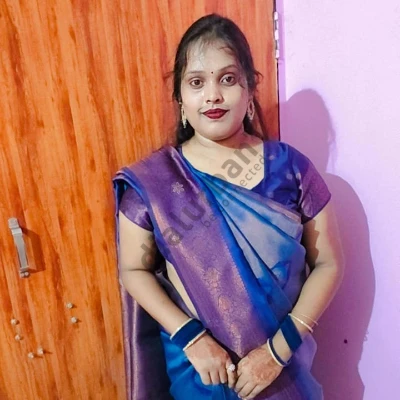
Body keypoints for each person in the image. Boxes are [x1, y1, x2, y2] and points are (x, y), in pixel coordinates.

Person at [113, 14, 344, 400]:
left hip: (285, 375)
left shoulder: (291, 169)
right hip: (200, 376)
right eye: (197, 82)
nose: (212, 96)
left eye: (228, 79)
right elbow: (134, 269)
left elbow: (329, 263)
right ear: (180, 100)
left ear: (250, 89)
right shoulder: (154, 184)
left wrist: (277, 352)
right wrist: (192, 339)